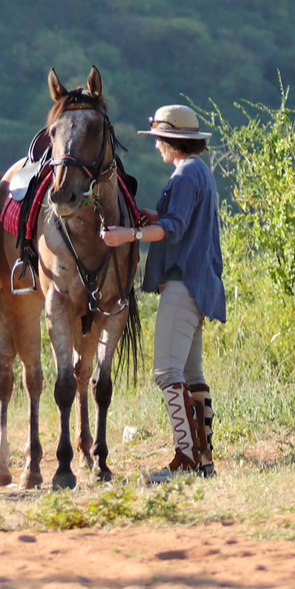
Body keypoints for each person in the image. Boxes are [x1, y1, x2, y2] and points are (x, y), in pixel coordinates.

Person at [102, 103, 225, 479]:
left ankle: (185, 459)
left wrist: (129, 234)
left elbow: (174, 228)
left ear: (172, 141)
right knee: (191, 373)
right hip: (199, 283)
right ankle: (203, 462)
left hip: (182, 282)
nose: (157, 146)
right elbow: (180, 224)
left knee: (166, 371)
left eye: (159, 139)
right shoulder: (198, 173)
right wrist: (153, 219)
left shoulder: (186, 176)